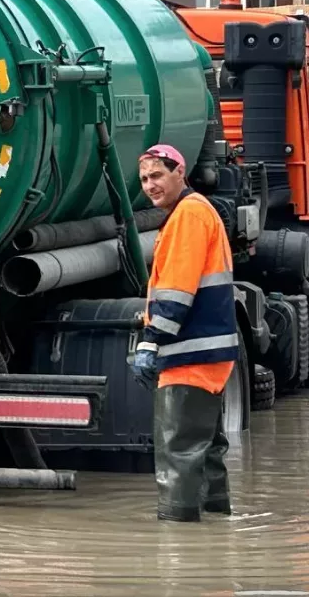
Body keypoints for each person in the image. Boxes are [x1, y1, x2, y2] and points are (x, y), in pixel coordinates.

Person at [132, 143, 239, 522]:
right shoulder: (193, 212)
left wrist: (151, 339)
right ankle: (215, 531)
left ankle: (179, 548)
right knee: (205, 448)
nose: (150, 185)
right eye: (145, 178)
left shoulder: (188, 215)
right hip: (206, 352)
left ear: (181, 172)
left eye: (158, 175)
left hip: (190, 354)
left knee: (177, 450)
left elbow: (177, 289)